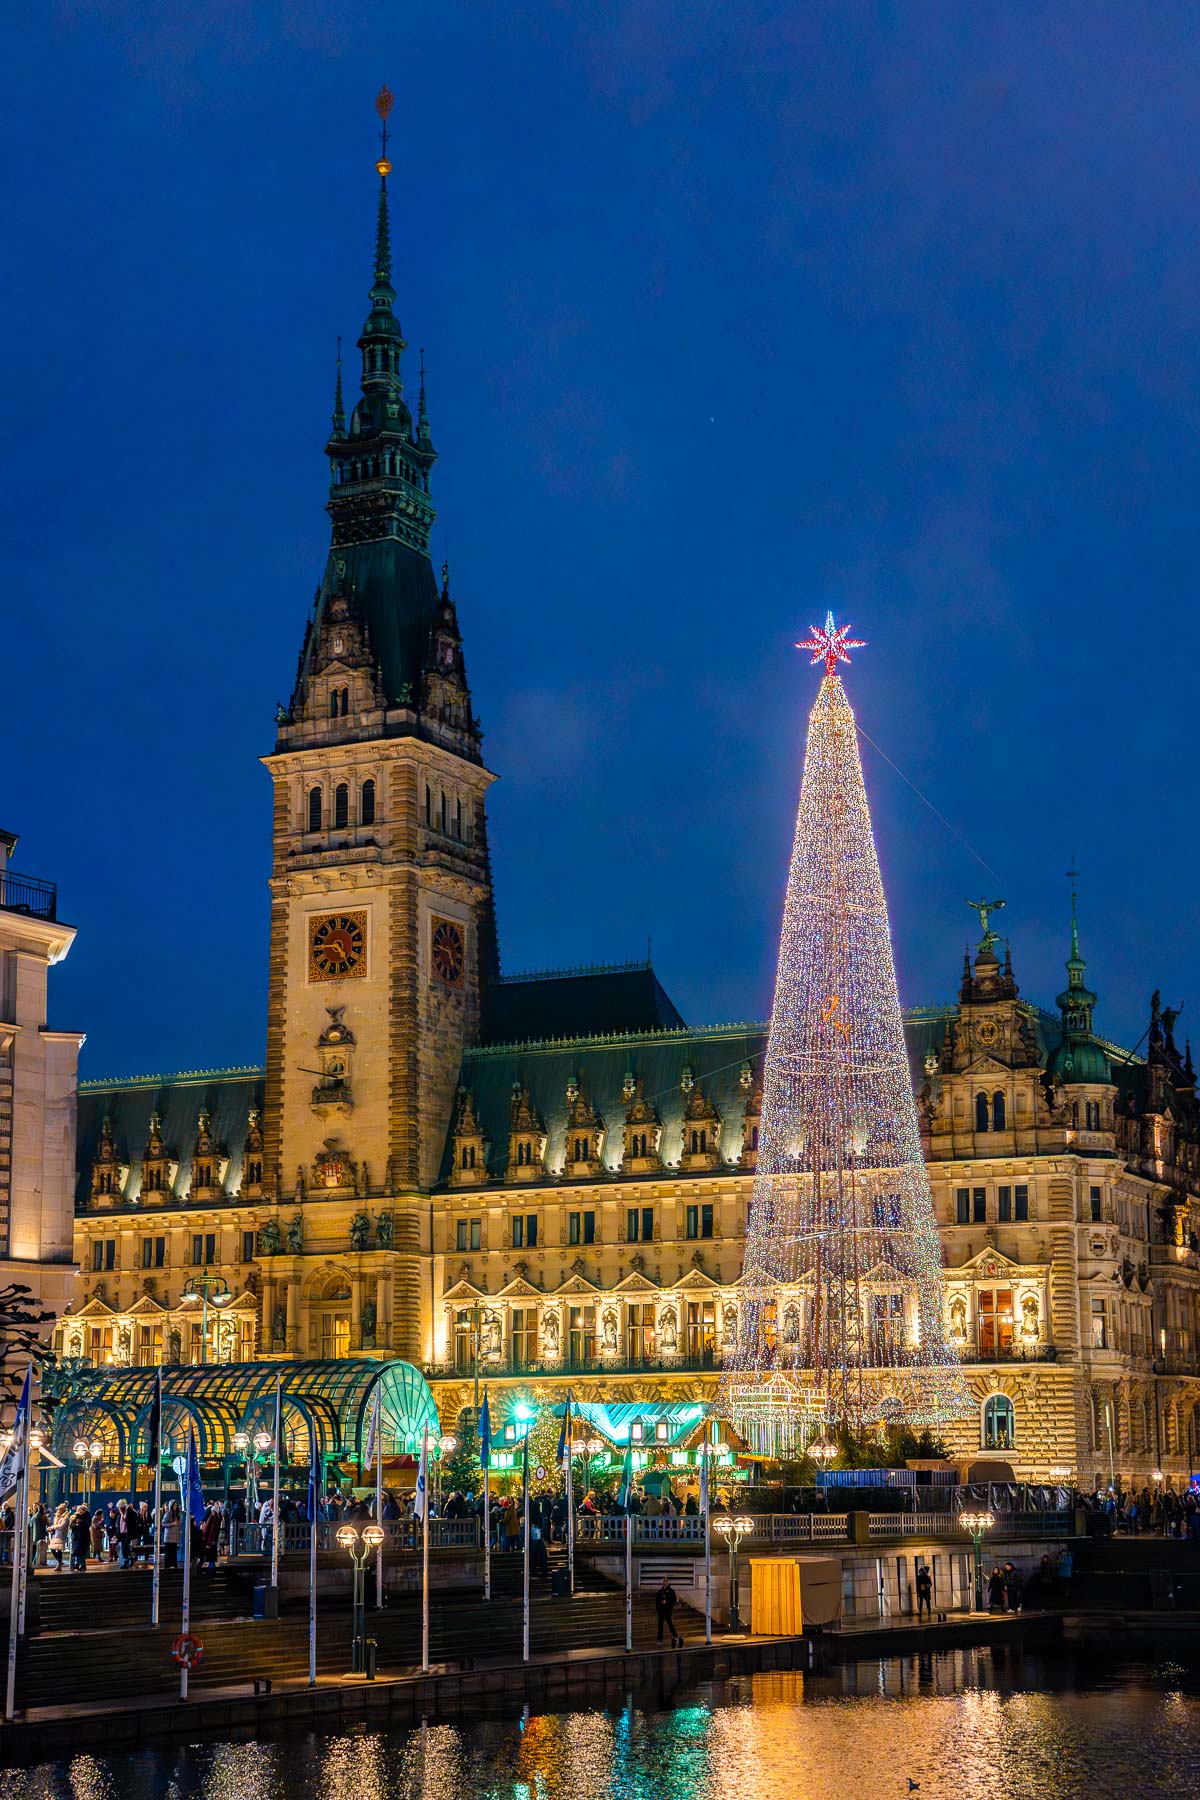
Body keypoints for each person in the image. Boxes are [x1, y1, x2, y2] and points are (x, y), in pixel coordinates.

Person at [655, 1575, 682, 1647]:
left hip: (667, 1610)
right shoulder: (660, 1591)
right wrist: (658, 1608)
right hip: (661, 1610)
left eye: (665, 1581)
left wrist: (666, 1602)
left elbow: (673, 1600)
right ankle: (659, 1639)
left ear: (668, 1582)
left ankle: (675, 1636)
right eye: (663, 1581)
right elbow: (657, 1600)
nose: (664, 1582)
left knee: (669, 1623)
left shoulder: (671, 1591)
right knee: (660, 1625)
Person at [69, 1503, 92, 1572]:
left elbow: (88, 1524)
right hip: (77, 1537)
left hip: (83, 1537)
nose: (80, 1511)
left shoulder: (87, 1516)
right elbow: (71, 1525)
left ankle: (82, 1564)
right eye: (79, 1510)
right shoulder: (76, 1516)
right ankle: (78, 1564)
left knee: (82, 1551)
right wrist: (75, 1525)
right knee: (77, 1551)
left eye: (82, 1510)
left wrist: (81, 1522)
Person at [48, 1502, 69, 1572]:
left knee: (59, 1550)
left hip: (61, 1535)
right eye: (58, 1509)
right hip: (55, 1535)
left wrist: (53, 1527)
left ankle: (59, 1564)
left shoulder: (66, 1517)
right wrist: (52, 1528)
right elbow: (56, 1525)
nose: (59, 1511)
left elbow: (62, 1526)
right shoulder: (57, 1516)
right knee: (52, 1548)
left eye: (60, 1510)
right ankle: (59, 1562)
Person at [163, 1499, 181, 1571]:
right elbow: (163, 1523)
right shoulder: (168, 1513)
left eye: (176, 1505)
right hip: (168, 1537)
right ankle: (167, 1566)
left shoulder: (177, 1514)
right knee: (168, 1553)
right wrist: (171, 1524)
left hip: (175, 1537)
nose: (175, 1507)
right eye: (174, 1505)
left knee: (174, 1553)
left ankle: (173, 1565)